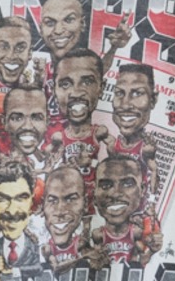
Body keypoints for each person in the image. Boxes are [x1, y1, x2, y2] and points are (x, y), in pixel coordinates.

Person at [42, 49, 108, 202]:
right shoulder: (57, 137)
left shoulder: (101, 132)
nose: (76, 93)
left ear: (101, 88)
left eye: (87, 82)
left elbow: (113, 167)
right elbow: (46, 158)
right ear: (54, 90)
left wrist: (90, 163)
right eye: (65, 84)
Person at [87, 154, 162, 267]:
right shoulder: (97, 234)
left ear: (142, 190)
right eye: (105, 185)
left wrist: (151, 251)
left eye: (127, 184)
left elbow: (141, 263)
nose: (115, 194)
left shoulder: (137, 232)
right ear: (94, 194)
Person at [104, 60, 160, 200]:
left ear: (153, 100)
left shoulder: (146, 149)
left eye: (137, 93)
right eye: (119, 93)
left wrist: (151, 202)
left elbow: (154, 177)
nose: (125, 104)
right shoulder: (113, 146)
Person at [0, 158, 44, 273]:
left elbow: (40, 270)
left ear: (31, 203)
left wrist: (10, 270)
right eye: (2, 199)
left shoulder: (39, 248)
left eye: (21, 198)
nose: (12, 211)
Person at [38, 163, 89, 274]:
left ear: (85, 204)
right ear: (42, 206)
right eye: (52, 200)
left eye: (70, 200)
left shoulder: (83, 243)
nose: (60, 211)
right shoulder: (43, 248)